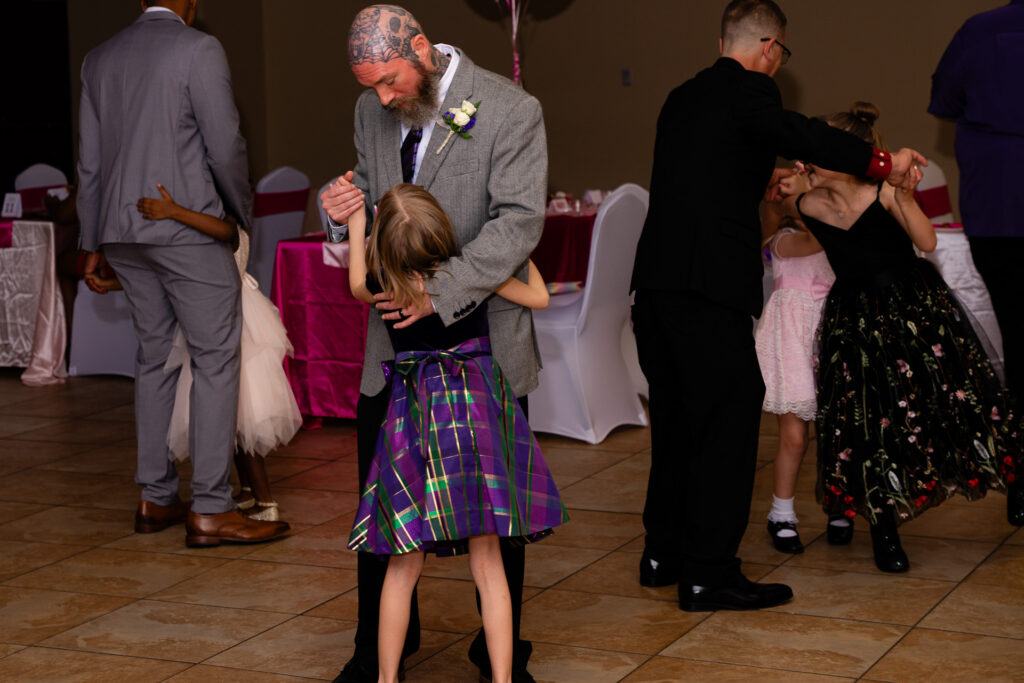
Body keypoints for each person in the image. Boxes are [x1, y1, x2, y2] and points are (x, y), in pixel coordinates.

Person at [630, 0, 927, 612]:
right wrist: (884, 161)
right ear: (770, 48)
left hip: (655, 288)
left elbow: (707, 173)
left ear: (723, 43)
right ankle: (709, 573)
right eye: (781, 52)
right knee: (727, 428)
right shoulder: (751, 92)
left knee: (677, 424)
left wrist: (754, 182)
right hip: (709, 291)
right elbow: (805, 135)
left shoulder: (682, 97)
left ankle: (663, 554)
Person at [319, 6, 548, 681]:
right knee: (386, 511)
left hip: (483, 352)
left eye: (390, 81)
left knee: (495, 524)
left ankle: (498, 655)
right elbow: (371, 194)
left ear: (421, 49)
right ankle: (378, 653)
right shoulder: (370, 108)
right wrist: (341, 209)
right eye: (371, 87)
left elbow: (518, 224)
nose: (383, 99)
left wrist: (436, 291)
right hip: (391, 355)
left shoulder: (510, 109)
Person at [777, 103, 1022, 573]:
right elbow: (782, 217)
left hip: (911, 309)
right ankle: (883, 529)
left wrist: (905, 196)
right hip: (854, 319)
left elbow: (927, 243)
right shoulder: (809, 205)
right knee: (870, 423)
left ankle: (1016, 479)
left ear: (849, 155)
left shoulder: (883, 192)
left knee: (957, 402)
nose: (808, 159)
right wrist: (782, 198)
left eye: (820, 150)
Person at [76, 0, 287, 546]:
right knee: (215, 358)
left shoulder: (99, 58)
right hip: (185, 229)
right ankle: (212, 508)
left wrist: (92, 240)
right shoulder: (199, 48)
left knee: (155, 358)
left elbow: (90, 163)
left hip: (122, 232)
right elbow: (226, 144)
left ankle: (156, 496)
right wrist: (237, 214)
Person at [343, 182, 564, 683]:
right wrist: (512, 249)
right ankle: (503, 678)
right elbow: (539, 297)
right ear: (443, 230)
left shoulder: (382, 285)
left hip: (414, 422)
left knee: (403, 564)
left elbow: (355, 282)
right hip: (473, 420)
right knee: (489, 563)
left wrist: (357, 223)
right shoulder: (468, 277)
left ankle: (386, 679)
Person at [134, 185, 301, 526]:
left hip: (234, 321)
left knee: (242, 419)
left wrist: (174, 211)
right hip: (213, 317)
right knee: (228, 419)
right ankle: (248, 492)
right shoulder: (208, 219)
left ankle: (266, 501)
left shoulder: (227, 219)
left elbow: (224, 233)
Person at [928, 0, 1024, 525]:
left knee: (1017, 342)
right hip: (999, 204)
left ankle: (1021, 480)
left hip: (998, 207)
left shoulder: (979, 30)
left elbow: (944, 100)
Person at [755, 175, 837, 554]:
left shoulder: (834, 236)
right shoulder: (783, 241)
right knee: (795, 438)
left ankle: (839, 504)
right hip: (791, 342)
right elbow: (818, 239)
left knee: (835, 435)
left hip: (830, 335)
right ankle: (781, 514)